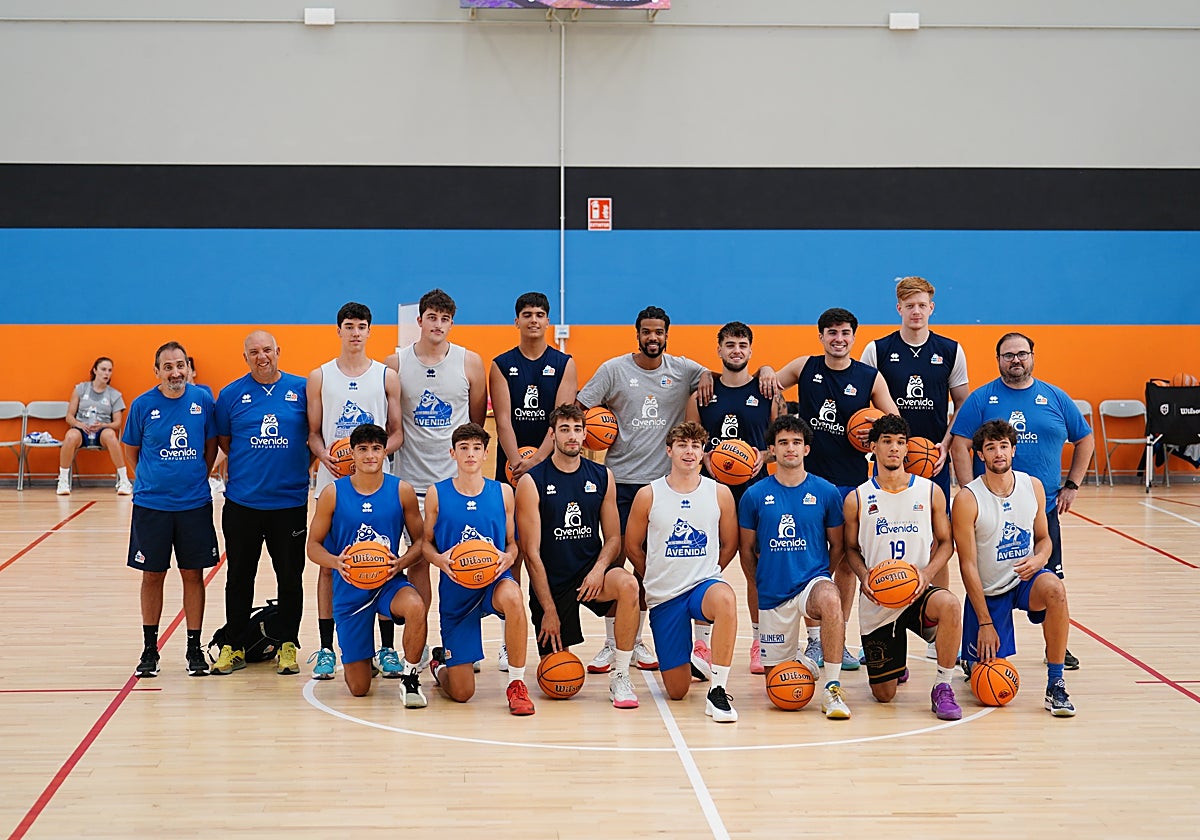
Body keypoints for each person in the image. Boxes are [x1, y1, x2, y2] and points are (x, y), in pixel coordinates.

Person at [576, 305, 714, 674]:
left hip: (662, 486)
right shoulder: (613, 369)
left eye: (659, 332)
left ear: (668, 335)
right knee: (617, 563)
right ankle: (613, 641)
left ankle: (640, 639)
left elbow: (711, 374)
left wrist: (705, 377)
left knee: (655, 562)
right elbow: (579, 407)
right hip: (619, 480)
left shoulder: (682, 369)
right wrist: (594, 431)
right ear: (637, 334)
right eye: (647, 332)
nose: (653, 338)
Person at [950, 332, 1095, 670]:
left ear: (1032, 356)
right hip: (990, 513)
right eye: (1008, 355)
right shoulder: (982, 398)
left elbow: (1085, 440)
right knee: (987, 579)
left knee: (1051, 585)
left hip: (1039, 510)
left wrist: (1072, 484)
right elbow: (959, 444)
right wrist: (970, 489)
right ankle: (976, 644)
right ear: (998, 359)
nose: (1015, 360)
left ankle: (1055, 650)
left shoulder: (1055, 397)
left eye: (1021, 354)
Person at [774, 307, 899, 671]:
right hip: (806, 481)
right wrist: (768, 374)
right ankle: (814, 641)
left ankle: (838, 640)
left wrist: (873, 431)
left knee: (844, 562)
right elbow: (768, 385)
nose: (838, 338)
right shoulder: (805, 367)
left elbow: (894, 420)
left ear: (853, 337)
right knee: (809, 558)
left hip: (851, 483)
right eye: (832, 332)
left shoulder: (869, 377)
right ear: (821, 336)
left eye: (845, 332)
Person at [517, 405, 641, 709]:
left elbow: (613, 538)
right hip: (553, 580)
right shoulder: (531, 482)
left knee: (628, 585)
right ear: (552, 434)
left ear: (585, 434)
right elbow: (531, 554)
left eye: (576, 429)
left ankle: (621, 675)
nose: (571, 436)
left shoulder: (602, 475)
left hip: (590, 572)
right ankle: (555, 631)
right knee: (558, 682)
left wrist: (600, 569)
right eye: (564, 429)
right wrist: (548, 608)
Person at [842, 414, 964, 721]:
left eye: (900, 443)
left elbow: (946, 543)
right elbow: (850, 549)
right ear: (873, 447)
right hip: (879, 596)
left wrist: (927, 574)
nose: (894, 449)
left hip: (918, 590)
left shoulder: (929, 491)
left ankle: (943, 687)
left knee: (949, 604)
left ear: (907, 449)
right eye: (886, 442)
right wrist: (864, 575)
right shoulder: (857, 498)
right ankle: (896, 663)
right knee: (884, 696)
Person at [307, 302, 404, 680]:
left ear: (369, 330)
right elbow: (314, 433)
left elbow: (396, 432)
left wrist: (372, 458)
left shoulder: (386, 376)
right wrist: (325, 457)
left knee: (381, 557)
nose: (356, 332)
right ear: (339, 330)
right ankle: (327, 649)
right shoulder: (320, 376)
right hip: (334, 482)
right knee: (331, 564)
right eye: (349, 326)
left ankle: (387, 648)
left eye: (362, 326)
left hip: (378, 483)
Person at [953, 420, 1076, 716]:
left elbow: (1045, 539)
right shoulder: (968, 499)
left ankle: (1056, 683)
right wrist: (984, 623)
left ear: (1013, 450)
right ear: (980, 455)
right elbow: (967, 566)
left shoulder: (1031, 486)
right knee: (989, 687)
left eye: (1004, 446)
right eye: (991, 447)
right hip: (989, 589)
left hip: (1025, 580)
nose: (998, 453)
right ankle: (971, 659)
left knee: (1055, 589)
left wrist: (1038, 560)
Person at [686, 321, 786, 675]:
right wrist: (706, 458)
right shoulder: (701, 393)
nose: (736, 351)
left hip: (755, 491)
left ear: (751, 349)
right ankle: (701, 642)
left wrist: (764, 456)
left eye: (742, 345)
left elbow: (782, 443)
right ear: (719, 350)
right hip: (712, 490)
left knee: (756, 568)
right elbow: (689, 441)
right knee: (704, 564)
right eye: (730, 345)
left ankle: (760, 641)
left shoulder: (767, 390)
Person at [387, 290, 488, 643]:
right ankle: (423, 642)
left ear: (452, 323)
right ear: (419, 320)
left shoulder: (470, 363)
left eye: (445, 319)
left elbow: (474, 426)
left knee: (461, 562)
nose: (438, 325)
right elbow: (392, 422)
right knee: (417, 564)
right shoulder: (396, 363)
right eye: (432, 317)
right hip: (410, 482)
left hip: (453, 487)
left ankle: (457, 643)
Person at [860, 277, 969, 595]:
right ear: (899, 309)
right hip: (888, 460)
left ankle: (937, 634)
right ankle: (880, 633)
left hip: (930, 459)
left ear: (932, 308)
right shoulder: (878, 349)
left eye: (922, 305)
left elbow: (962, 403)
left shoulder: (950, 350)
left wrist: (945, 446)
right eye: (909, 306)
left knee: (936, 540)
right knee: (881, 538)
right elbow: (863, 406)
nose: (916, 311)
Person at [305, 423, 428, 705]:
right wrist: (336, 562)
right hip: (350, 590)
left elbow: (421, 541)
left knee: (415, 606)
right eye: (363, 449)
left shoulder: (402, 490)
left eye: (376, 449)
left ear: (385, 452)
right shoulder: (333, 493)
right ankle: (363, 655)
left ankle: (410, 678)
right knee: (359, 688)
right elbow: (313, 546)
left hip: (388, 582)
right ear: (352, 453)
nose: (370, 455)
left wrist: (401, 564)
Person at [625, 422, 740, 723]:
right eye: (682, 445)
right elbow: (632, 546)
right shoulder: (649, 495)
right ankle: (692, 662)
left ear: (703, 453)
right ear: (669, 450)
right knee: (677, 691)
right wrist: (654, 574)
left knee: (726, 599)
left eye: (695, 446)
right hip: (665, 595)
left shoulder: (720, 493)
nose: (689, 452)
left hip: (704, 585)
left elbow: (730, 544)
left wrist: (707, 573)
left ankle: (718, 690)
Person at [211, 330, 310, 677]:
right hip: (243, 504)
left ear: (278, 352)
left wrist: (295, 472)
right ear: (246, 358)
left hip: (289, 503)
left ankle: (287, 644)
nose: (261, 356)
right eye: (254, 352)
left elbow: (312, 440)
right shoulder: (230, 395)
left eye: (267, 350)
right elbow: (226, 441)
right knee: (239, 577)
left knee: (289, 577)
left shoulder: (302, 389)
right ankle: (234, 645)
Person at [487, 291, 577, 670]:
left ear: (548, 321)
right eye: (527, 314)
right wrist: (515, 462)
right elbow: (503, 419)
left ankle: (547, 630)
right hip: (510, 468)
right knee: (513, 551)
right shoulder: (501, 364)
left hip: (548, 465)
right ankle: (511, 639)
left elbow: (561, 418)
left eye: (540, 314)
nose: (534, 320)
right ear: (517, 321)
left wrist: (536, 461)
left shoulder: (564, 363)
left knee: (539, 550)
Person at [738, 415, 850, 719]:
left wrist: (822, 575)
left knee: (830, 597)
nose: (790, 448)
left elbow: (837, 545)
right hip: (773, 593)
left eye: (797, 443)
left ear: (806, 450)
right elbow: (745, 550)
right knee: (780, 692)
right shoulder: (754, 495)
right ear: (772, 450)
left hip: (811, 583)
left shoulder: (826, 492)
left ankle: (833, 689)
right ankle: (804, 661)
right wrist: (759, 583)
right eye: (783, 443)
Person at [122, 341, 219, 678]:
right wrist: (150, 481)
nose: (176, 372)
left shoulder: (203, 400)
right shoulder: (142, 405)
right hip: (152, 505)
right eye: (168, 367)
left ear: (188, 368)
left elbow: (211, 446)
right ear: (157, 371)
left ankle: (194, 648)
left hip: (194, 504)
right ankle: (150, 648)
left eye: (181, 366)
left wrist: (195, 478)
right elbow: (130, 450)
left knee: (193, 575)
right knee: (153, 575)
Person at [424, 423, 535, 716]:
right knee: (462, 693)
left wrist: (509, 559)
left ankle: (516, 684)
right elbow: (425, 544)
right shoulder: (437, 493)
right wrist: (439, 560)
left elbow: (513, 545)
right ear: (452, 453)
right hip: (456, 590)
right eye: (464, 448)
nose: (470, 454)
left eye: (476, 448)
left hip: (493, 580)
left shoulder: (503, 493)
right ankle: (441, 666)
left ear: (485, 453)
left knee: (513, 597)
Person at [57, 356, 131, 496]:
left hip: (101, 431)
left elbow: (117, 423)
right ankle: (63, 480)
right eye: (103, 369)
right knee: (70, 436)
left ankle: (124, 480)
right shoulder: (80, 389)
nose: (106, 373)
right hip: (82, 430)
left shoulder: (114, 395)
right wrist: (80, 424)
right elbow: (69, 417)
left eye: (109, 370)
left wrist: (103, 425)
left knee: (110, 435)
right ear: (95, 370)